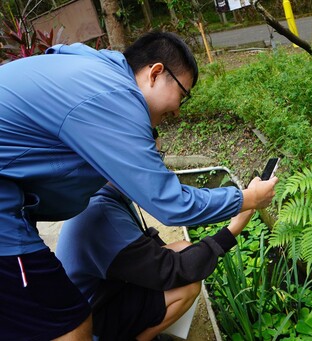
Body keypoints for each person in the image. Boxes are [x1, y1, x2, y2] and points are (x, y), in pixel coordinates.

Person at [0, 31, 278, 340]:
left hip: (14, 204)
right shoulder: (115, 97)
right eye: (182, 95)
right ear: (155, 73)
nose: (177, 111)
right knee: (72, 328)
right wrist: (247, 199)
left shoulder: (94, 73)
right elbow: (173, 205)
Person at [56, 129, 257, 340]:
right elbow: (172, 271)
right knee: (187, 286)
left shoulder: (108, 190)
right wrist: (232, 229)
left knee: (181, 247)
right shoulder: (102, 213)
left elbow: (142, 246)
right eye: (153, 156)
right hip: (90, 319)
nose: (160, 166)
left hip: (105, 287)